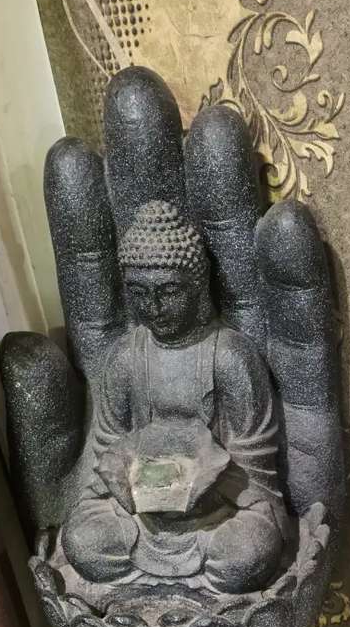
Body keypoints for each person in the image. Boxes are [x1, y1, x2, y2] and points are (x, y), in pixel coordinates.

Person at [62, 200, 291, 594]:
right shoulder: (124, 357)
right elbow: (108, 446)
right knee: (83, 543)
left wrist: (202, 486)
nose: (153, 308)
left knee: (247, 554)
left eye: (169, 291)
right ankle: (156, 583)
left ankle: (170, 579)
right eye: (139, 292)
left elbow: (255, 465)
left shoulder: (231, 356)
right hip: (136, 516)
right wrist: (127, 487)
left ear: (197, 286)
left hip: (217, 515)